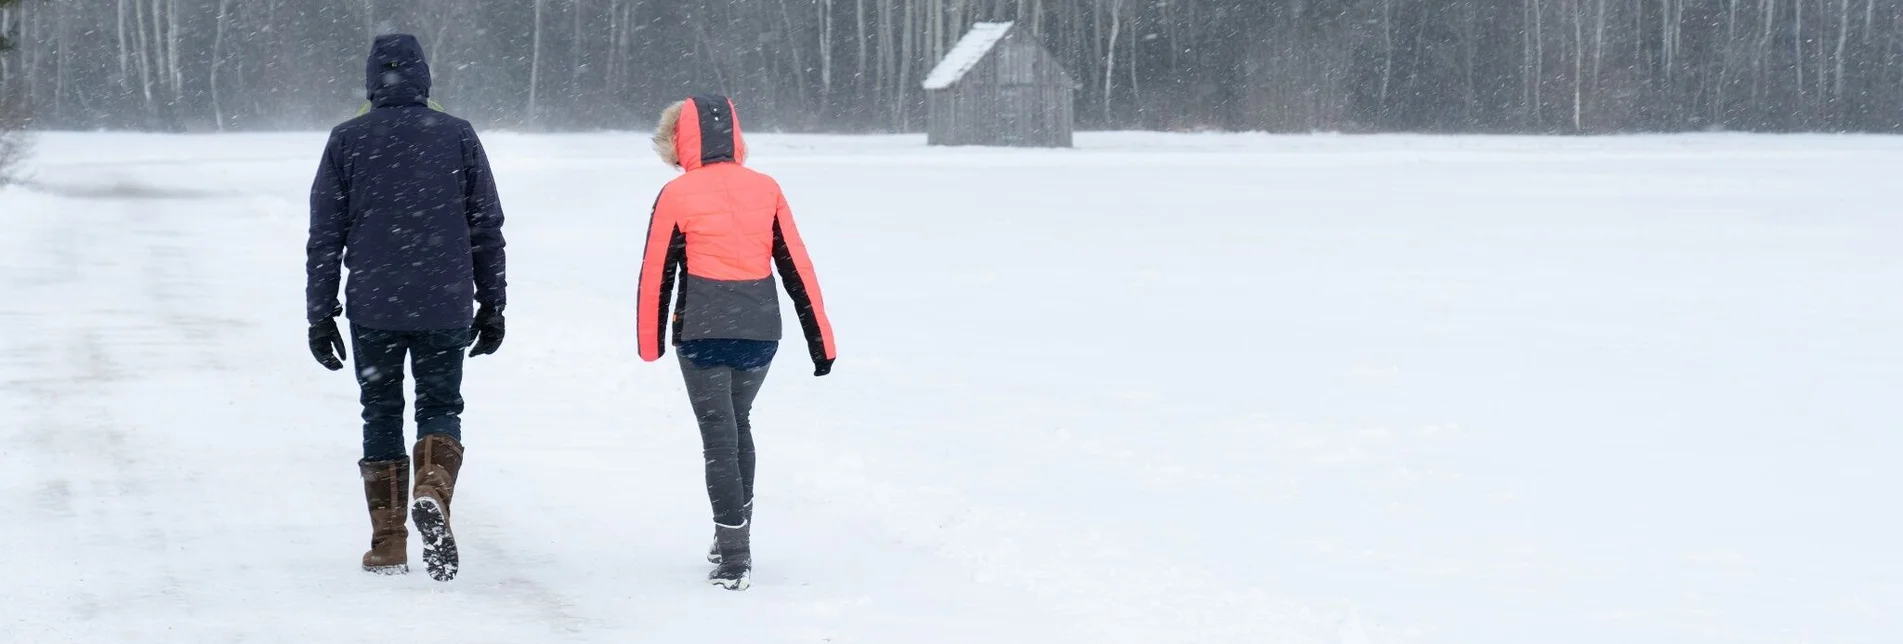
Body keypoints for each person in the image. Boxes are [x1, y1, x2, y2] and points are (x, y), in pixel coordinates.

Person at [305, 34, 507, 582]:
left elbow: (325, 235)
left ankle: (389, 542)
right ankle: (432, 489)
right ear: (424, 78)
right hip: (444, 302)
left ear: (372, 82)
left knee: (381, 410)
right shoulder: (457, 135)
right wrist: (493, 303)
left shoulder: (347, 139)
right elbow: (486, 225)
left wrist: (320, 313)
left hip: (375, 304)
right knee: (440, 404)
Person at [638, 95, 836, 591]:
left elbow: (655, 274)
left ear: (678, 142)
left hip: (702, 331)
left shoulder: (676, 194)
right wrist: (821, 341)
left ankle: (733, 557)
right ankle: (735, 535)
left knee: (718, 437)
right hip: (760, 332)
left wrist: (650, 341)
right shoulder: (766, 188)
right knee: (738, 422)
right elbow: (797, 266)